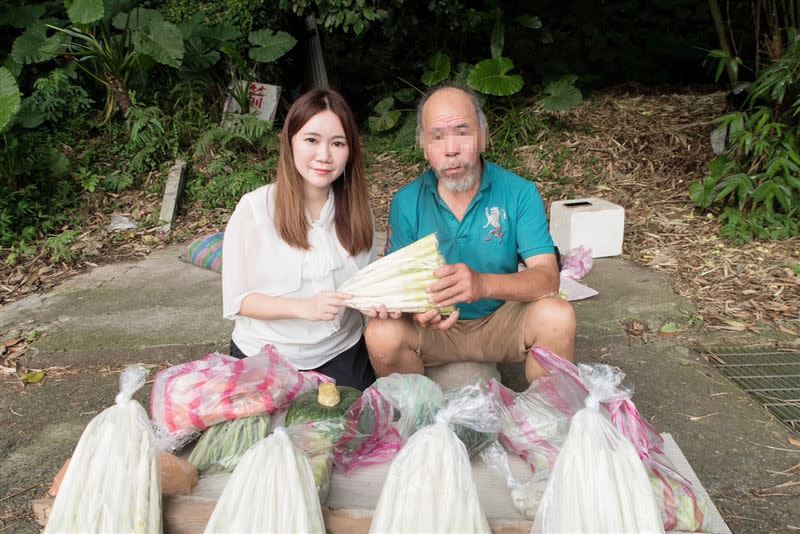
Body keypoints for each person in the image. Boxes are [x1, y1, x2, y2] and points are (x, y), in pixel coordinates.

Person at [364, 84, 576, 383]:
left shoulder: (519, 193)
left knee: (558, 315)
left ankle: (545, 417)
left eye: (462, 132)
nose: (451, 149)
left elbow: (547, 278)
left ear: (483, 136)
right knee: (380, 332)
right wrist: (416, 311)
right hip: (435, 330)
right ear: (423, 145)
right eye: (437, 137)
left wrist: (482, 285)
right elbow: (400, 285)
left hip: (500, 321)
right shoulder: (407, 201)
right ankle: (418, 419)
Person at [222, 89, 378, 390]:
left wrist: (377, 302)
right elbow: (238, 301)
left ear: (350, 151)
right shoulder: (255, 208)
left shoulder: (359, 212)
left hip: (340, 350)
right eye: (311, 140)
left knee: (348, 432)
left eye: (337, 143)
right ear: (290, 141)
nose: (324, 155)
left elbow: (364, 286)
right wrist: (304, 307)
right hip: (266, 354)